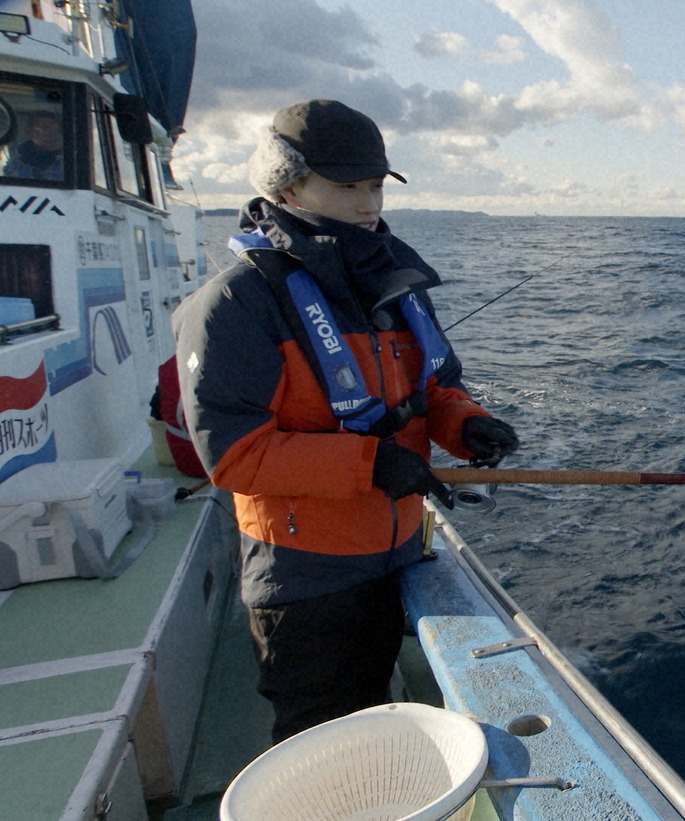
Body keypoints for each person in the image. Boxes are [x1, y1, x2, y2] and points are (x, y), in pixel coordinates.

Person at [173, 99, 520, 743]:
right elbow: (233, 455)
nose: (368, 203)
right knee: (322, 742)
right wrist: (371, 465)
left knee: (375, 716)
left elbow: (436, 386)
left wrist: (467, 424)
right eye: (346, 186)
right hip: (304, 578)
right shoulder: (234, 303)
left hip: (395, 557)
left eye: (375, 185)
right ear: (287, 184)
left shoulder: (390, 281)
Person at [3, 110, 64, 181]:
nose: (52, 134)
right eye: (46, 129)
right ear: (29, 132)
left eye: (55, 130)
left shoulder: (66, 163)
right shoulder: (14, 166)